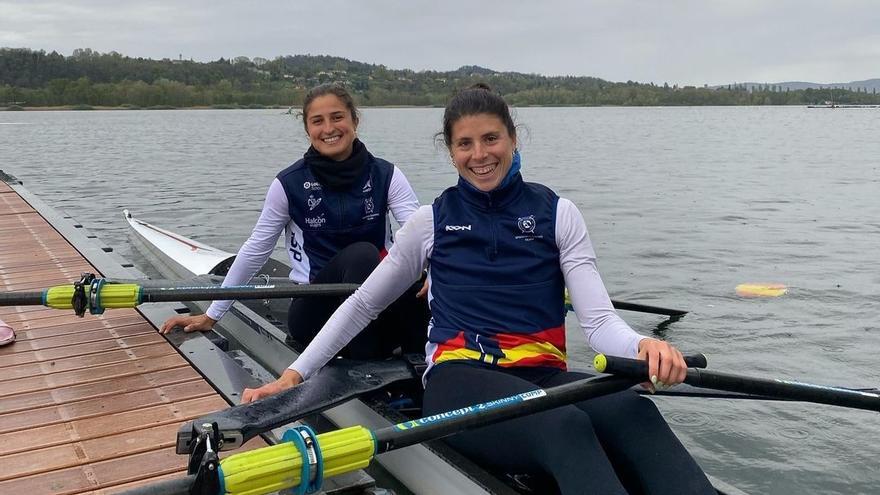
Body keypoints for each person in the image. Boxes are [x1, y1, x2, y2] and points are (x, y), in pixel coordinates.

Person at [241, 84, 714, 494]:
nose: (480, 154)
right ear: (451, 152)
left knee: (636, 413)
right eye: (464, 144)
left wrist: (645, 347)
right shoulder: (430, 224)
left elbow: (599, 321)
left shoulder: (560, 214)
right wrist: (293, 377)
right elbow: (363, 305)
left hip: (542, 375)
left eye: (491, 138)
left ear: (512, 138)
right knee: (566, 427)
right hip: (457, 380)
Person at [161, 83, 428, 359]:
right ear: (307, 130)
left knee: (418, 269)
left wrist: (434, 269)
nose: (329, 129)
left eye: (337, 117)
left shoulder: (387, 175)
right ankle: (369, 359)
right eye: (317, 121)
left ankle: (425, 361)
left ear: (354, 121)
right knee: (363, 255)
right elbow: (257, 250)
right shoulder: (289, 184)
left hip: (374, 304)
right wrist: (212, 315)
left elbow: (419, 235)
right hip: (315, 309)